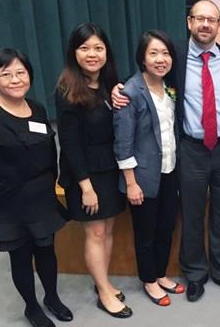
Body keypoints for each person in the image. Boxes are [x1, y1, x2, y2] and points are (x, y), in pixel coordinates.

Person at [112, 0, 220, 302]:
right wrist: (117, 87)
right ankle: (196, 273)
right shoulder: (175, 58)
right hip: (190, 148)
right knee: (192, 212)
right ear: (189, 22)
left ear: (219, 25)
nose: (205, 24)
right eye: (199, 18)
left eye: (211, 19)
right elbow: (145, 79)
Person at [0, 48, 72, 327]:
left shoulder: (37, 109)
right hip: (9, 202)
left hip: (41, 196)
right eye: (6, 74)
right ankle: (32, 307)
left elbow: (48, 149)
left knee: (47, 251)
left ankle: (52, 297)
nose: (15, 79)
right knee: (21, 256)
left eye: (21, 72)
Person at [55, 23, 132, 318]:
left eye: (98, 48)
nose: (92, 54)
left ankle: (104, 282)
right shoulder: (67, 89)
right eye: (85, 48)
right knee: (96, 231)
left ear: (106, 52)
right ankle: (103, 293)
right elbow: (70, 144)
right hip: (84, 173)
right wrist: (86, 187)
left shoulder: (110, 82)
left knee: (108, 229)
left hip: (109, 167)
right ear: (74, 52)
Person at [113, 30, 185, 307]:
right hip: (142, 177)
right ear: (142, 58)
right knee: (146, 232)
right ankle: (149, 280)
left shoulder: (169, 87)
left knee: (166, 227)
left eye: (165, 53)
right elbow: (123, 142)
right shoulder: (130, 91)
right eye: (153, 53)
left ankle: (161, 273)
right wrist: (130, 183)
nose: (161, 59)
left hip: (169, 171)